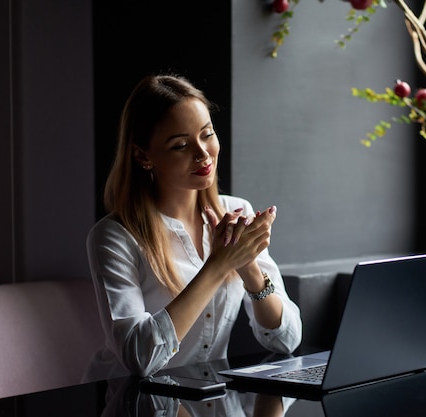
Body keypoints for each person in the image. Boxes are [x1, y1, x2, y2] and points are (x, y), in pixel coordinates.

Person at [83, 74, 302, 382]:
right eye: (181, 145)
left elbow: (286, 341)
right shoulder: (115, 237)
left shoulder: (237, 213)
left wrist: (248, 266)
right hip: (132, 402)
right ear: (143, 156)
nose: (202, 153)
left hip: (211, 400)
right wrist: (218, 265)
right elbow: (139, 359)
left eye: (207, 134)